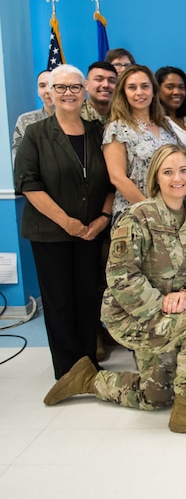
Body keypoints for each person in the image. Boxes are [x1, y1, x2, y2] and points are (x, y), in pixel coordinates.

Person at [43, 145, 186, 440]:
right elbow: (121, 277)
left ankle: (89, 380)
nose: (177, 178)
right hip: (134, 315)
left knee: (156, 397)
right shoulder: (137, 217)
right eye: (168, 172)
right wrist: (163, 304)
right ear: (156, 177)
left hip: (175, 312)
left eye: (184, 170)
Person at [14, 64, 114, 379]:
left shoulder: (98, 132)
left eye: (74, 87)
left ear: (84, 92)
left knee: (87, 298)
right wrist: (66, 221)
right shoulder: (36, 133)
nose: (68, 93)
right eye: (61, 87)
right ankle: (68, 370)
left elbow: (111, 182)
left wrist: (104, 218)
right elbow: (28, 184)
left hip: (91, 232)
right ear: (50, 92)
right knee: (59, 301)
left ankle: (89, 363)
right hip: (50, 233)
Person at [103, 64, 179, 219]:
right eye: (132, 87)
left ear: (153, 90)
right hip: (136, 214)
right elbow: (117, 178)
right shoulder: (117, 128)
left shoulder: (165, 125)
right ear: (123, 93)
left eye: (145, 86)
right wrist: (152, 212)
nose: (139, 92)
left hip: (171, 210)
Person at [12, 70, 55, 161]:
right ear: (38, 92)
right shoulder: (25, 120)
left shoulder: (76, 118)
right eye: (42, 86)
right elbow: (18, 158)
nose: (47, 90)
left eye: (51, 85)